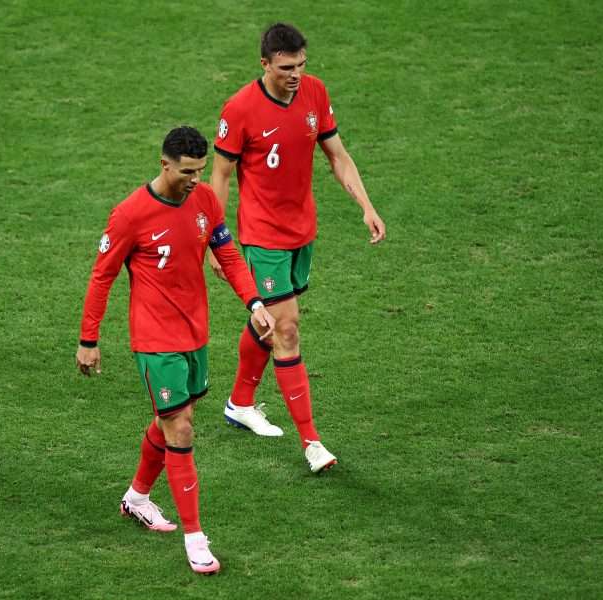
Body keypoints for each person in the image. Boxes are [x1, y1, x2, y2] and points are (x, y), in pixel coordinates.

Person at [76, 126, 275, 575]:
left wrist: (255, 302)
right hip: (154, 339)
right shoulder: (130, 214)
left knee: (176, 419)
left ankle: (137, 497)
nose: (195, 180)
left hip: (195, 334)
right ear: (164, 164)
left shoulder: (205, 201)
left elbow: (228, 255)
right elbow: (102, 275)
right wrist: (89, 339)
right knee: (181, 430)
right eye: (187, 172)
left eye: (200, 171)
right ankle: (195, 539)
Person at [208, 23, 386, 473]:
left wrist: (366, 205)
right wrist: (213, 238)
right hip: (262, 236)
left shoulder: (314, 93)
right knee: (286, 329)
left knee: (269, 322)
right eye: (286, 67)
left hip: (302, 232)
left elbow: (337, 155)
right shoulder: (240, 108)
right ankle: (312, 443)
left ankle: (240, 403)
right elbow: (221, 176)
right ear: (264, 64)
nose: (296, 75)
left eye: (301, 65)